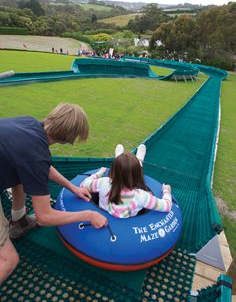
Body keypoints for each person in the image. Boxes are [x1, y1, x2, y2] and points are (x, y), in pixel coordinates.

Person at [0, 103, 107, 284]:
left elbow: (41, 166)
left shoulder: (30, 123)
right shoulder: (35, 156)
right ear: (68, 139)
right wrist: (89, 215)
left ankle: (19, 223)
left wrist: (72, 187)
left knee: (20, 174)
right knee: (9, 259)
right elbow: (44, 216)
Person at [81, 144, 172, 218]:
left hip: (107, 211)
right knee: (131, 170)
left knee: (124, 168)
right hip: (129, 217)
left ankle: (120, 159)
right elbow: (167, 206)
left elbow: (84, 184)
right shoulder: (142, 196)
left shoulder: (102, 183)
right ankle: (139, 161)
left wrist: (97, 174)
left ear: (112, 171)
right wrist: (166, 191)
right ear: (138, 176)